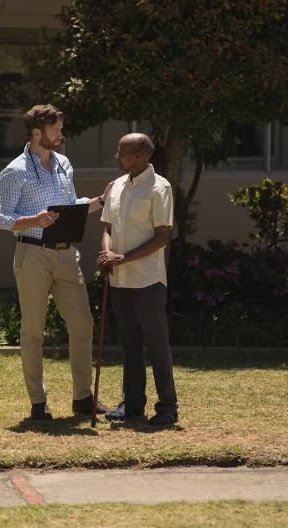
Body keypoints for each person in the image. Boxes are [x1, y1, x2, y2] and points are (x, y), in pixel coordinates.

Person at [0, 104, 111, 421]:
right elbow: (1, 218)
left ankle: (83, 398)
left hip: (66, 255)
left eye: (60, 128)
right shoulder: (15, 171)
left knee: (83, 324)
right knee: (33, 331)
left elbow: (71, 206)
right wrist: (34, 219)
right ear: (37, 132)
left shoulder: (64, 165)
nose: (61, 134)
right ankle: (38, 403)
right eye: (55, 129)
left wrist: (100, 200)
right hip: (32, 253)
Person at [97, 133, 179, 426]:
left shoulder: (159, 188)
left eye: (122, 152)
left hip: (148, 282)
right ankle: (132, 405)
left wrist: (123, 258)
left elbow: (161, 237)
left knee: (156, 345)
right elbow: (107, 227)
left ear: (142, 156)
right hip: (119, 281)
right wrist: (107, 254)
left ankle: (167, 407)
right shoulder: (118, 186)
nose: (116, 157)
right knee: (130, 345)